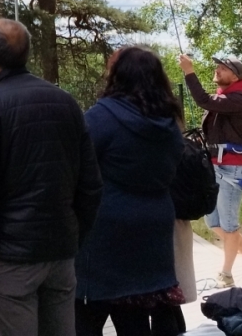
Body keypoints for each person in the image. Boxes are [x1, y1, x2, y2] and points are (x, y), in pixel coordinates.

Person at [0, 20, 102, 336]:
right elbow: (90, 184)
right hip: (59, 253)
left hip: (9, 259)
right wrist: (73, 236)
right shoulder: (65, 102)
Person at [75, 47, 186, 336]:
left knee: (87, 315)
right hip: (155, 224)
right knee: (134, 314)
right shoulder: (170, 122)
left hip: (106, 227)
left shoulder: (101, 116)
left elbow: (78, 165)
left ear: (117, 76)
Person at [179, 53, 242, 287]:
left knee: (229, 226)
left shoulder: (239, 97)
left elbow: (204, 101)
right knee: (214, 224)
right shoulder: (227, 95)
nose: (217, 70)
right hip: (217, 166)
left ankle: (226, 275)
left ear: (235, 75)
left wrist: (189, 72)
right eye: (217, 66)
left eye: (223, 68)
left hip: (231, 169)